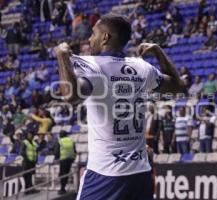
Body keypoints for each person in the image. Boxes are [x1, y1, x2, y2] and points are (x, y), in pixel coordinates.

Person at [55, 14, 184, 200]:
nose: (90, 39)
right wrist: (158, 52)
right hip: (140, 173)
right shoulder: (141, 67)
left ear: (105, 37)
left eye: (93, 34)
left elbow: (71, 95)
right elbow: (178, 87)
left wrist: (62, 56)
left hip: (105, 173)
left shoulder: (93, 66)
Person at [56, 130, 76, 195]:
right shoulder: (71, 140)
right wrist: (73, 158)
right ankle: (64, 187)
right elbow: (75, 150)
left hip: (63, 160)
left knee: (62, 174)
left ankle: (62, 189)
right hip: (70, 160)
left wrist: (57, 158)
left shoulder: (60, 141)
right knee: (66, 174)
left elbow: (57, 151)